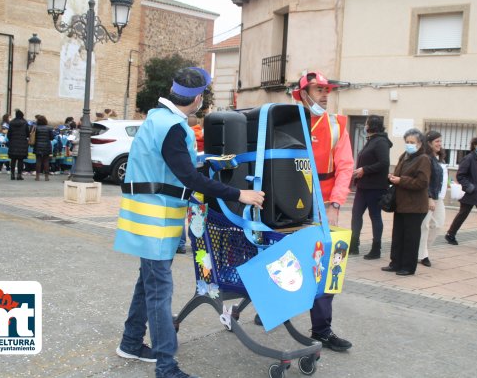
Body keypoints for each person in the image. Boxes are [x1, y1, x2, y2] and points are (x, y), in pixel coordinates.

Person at [113, 67, 264, 378]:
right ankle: (166, 367)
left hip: (148, 218)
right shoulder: (171, 127)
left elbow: (171, 166)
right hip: (154, 222)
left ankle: (130, 342)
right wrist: (241, 194)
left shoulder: (156, 118)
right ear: (196, 99)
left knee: (148, 284)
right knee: (159, 293)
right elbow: (189, 177)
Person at [292, 71, 354, 351]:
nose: (326, 95)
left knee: (326, 265)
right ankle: (272, 308)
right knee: (282, 257)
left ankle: (322, 329)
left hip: (324, 205)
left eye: (328, 90)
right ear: (303, 93)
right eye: (319, 90)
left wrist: (336, 204)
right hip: (288, 204)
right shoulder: (287, 120)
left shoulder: (337, 124)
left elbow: (345, 166)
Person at [381, 128, 431, 276]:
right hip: (401, 204)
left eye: (412, 142)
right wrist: (392, 177)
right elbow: (399, 175)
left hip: (415, 206)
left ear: (420, 144)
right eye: (407, 142)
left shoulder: (423, 159)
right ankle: (395, 263)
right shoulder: (405, 156)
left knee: (411, 237)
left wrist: (401, 180)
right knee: (398, 235)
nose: (409, 144)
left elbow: (422, 182)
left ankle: (408, 267)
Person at [349, 115, 392, 259]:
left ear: (372, 125)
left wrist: (364, 170)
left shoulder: (381, 142)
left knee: (375, 217)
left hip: (375, 187)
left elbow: (384, 163)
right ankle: (354, 245)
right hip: (363, 186)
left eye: (366, 123)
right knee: (356, 214)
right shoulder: (371, 140)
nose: (365, 126)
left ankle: (376, 249)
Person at [445, 136, 477, 254]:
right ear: (474, 146)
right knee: (462, 214)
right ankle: (450, 234)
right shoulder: (468, 159)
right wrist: (470, 187)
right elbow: (460, 176)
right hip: (471, 193)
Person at [418, 131, 447, 267]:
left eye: (440, 141)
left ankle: (423, 249)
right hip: (428, 197)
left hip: (438, 197)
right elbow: (426, 180)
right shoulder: (426, 158)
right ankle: (423, 254)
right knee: (425, 226)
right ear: (429, 143)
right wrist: (429, 197)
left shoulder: (439, 157)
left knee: (438, 224)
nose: (439, 144)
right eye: (437, 141)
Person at [7, 109, 30, 180]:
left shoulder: (11, 123)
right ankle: (19, 175)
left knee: (13, 160)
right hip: (22, 144)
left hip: (13, 143)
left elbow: (9, 134)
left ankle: (12, 174)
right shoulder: (25, 122)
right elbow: (27, 134)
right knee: (20, 160)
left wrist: (11, 139)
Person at [32, 115, 54, 181]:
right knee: (46, 161)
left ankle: (37, 176)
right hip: (46, 146)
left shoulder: (36, 127)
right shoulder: (49, 128)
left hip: (37, 145)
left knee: (38, 161)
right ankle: (46, 176)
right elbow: (52, 137)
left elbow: (33, 137)